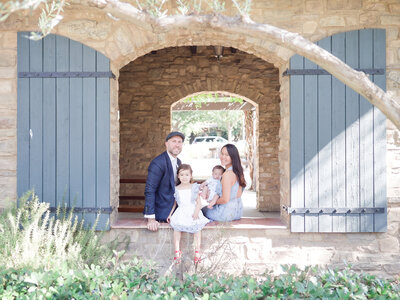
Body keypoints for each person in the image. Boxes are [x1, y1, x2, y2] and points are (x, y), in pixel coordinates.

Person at [167, 164, 210, 265]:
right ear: (178, 176)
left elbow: (199, 203)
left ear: (191, 176)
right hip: (181, 211)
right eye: (182, 175)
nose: (184, 177)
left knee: (197, 229)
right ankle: (177, 253)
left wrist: (195, 212)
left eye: (187, 175)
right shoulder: (176, 189)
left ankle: (197, 253)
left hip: (193, 210)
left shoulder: (193, 188)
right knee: (177, 229)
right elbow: (175, 203)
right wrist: (170, 214)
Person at [144, 131, 185, 231]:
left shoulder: (178, 162)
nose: (177, 144)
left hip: (175, 207)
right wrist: (151, 218)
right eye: (174, 141)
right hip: (163, 210)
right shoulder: (158, 163)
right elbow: (150, 190)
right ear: (166, 144)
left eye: (179, 142)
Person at [202, 144, 246, 222]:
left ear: (233, 157)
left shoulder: (227, 174)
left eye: (227, 155)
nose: (223, 157)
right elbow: (237, 194)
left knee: (201, 211)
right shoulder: (238, 172)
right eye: (222, 154)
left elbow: (225, 199)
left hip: (225, 213)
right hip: (238, 212)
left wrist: (212, 201)